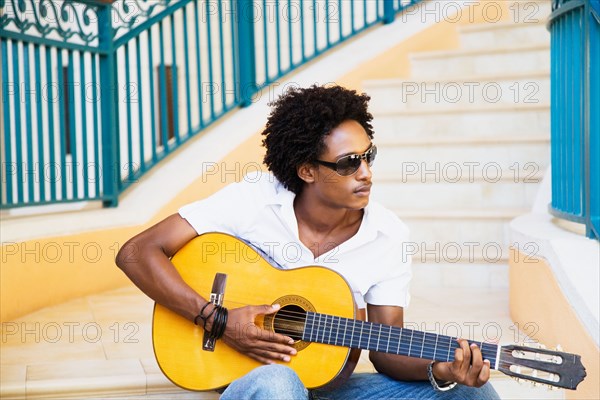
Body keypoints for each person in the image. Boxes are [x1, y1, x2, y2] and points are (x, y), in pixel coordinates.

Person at [116, 85, 500, 400]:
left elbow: (386, 349)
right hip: (252, 381)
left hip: (331, 386)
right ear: (307, 171)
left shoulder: (389, 234)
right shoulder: (253, 199)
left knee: (473, 396)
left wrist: (443, 368)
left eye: (369, 156)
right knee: (280, 385)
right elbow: (136, 252)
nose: (366, 173)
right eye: (349, 163)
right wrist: (219, 320)